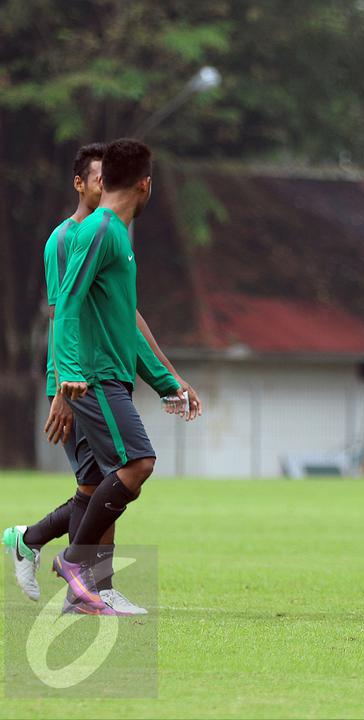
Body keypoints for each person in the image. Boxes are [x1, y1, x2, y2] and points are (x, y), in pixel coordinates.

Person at [4, 142, 200, 615]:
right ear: (144, 184)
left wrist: (166, 380)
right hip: (88, 379)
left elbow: (123, 322)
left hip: (103, 375)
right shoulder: (87, 234)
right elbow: (65, 308)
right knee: (135, 465)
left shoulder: (115, 236)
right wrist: (66, 381)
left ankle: (72, 578)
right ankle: (76, 565)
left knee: (95, 487)